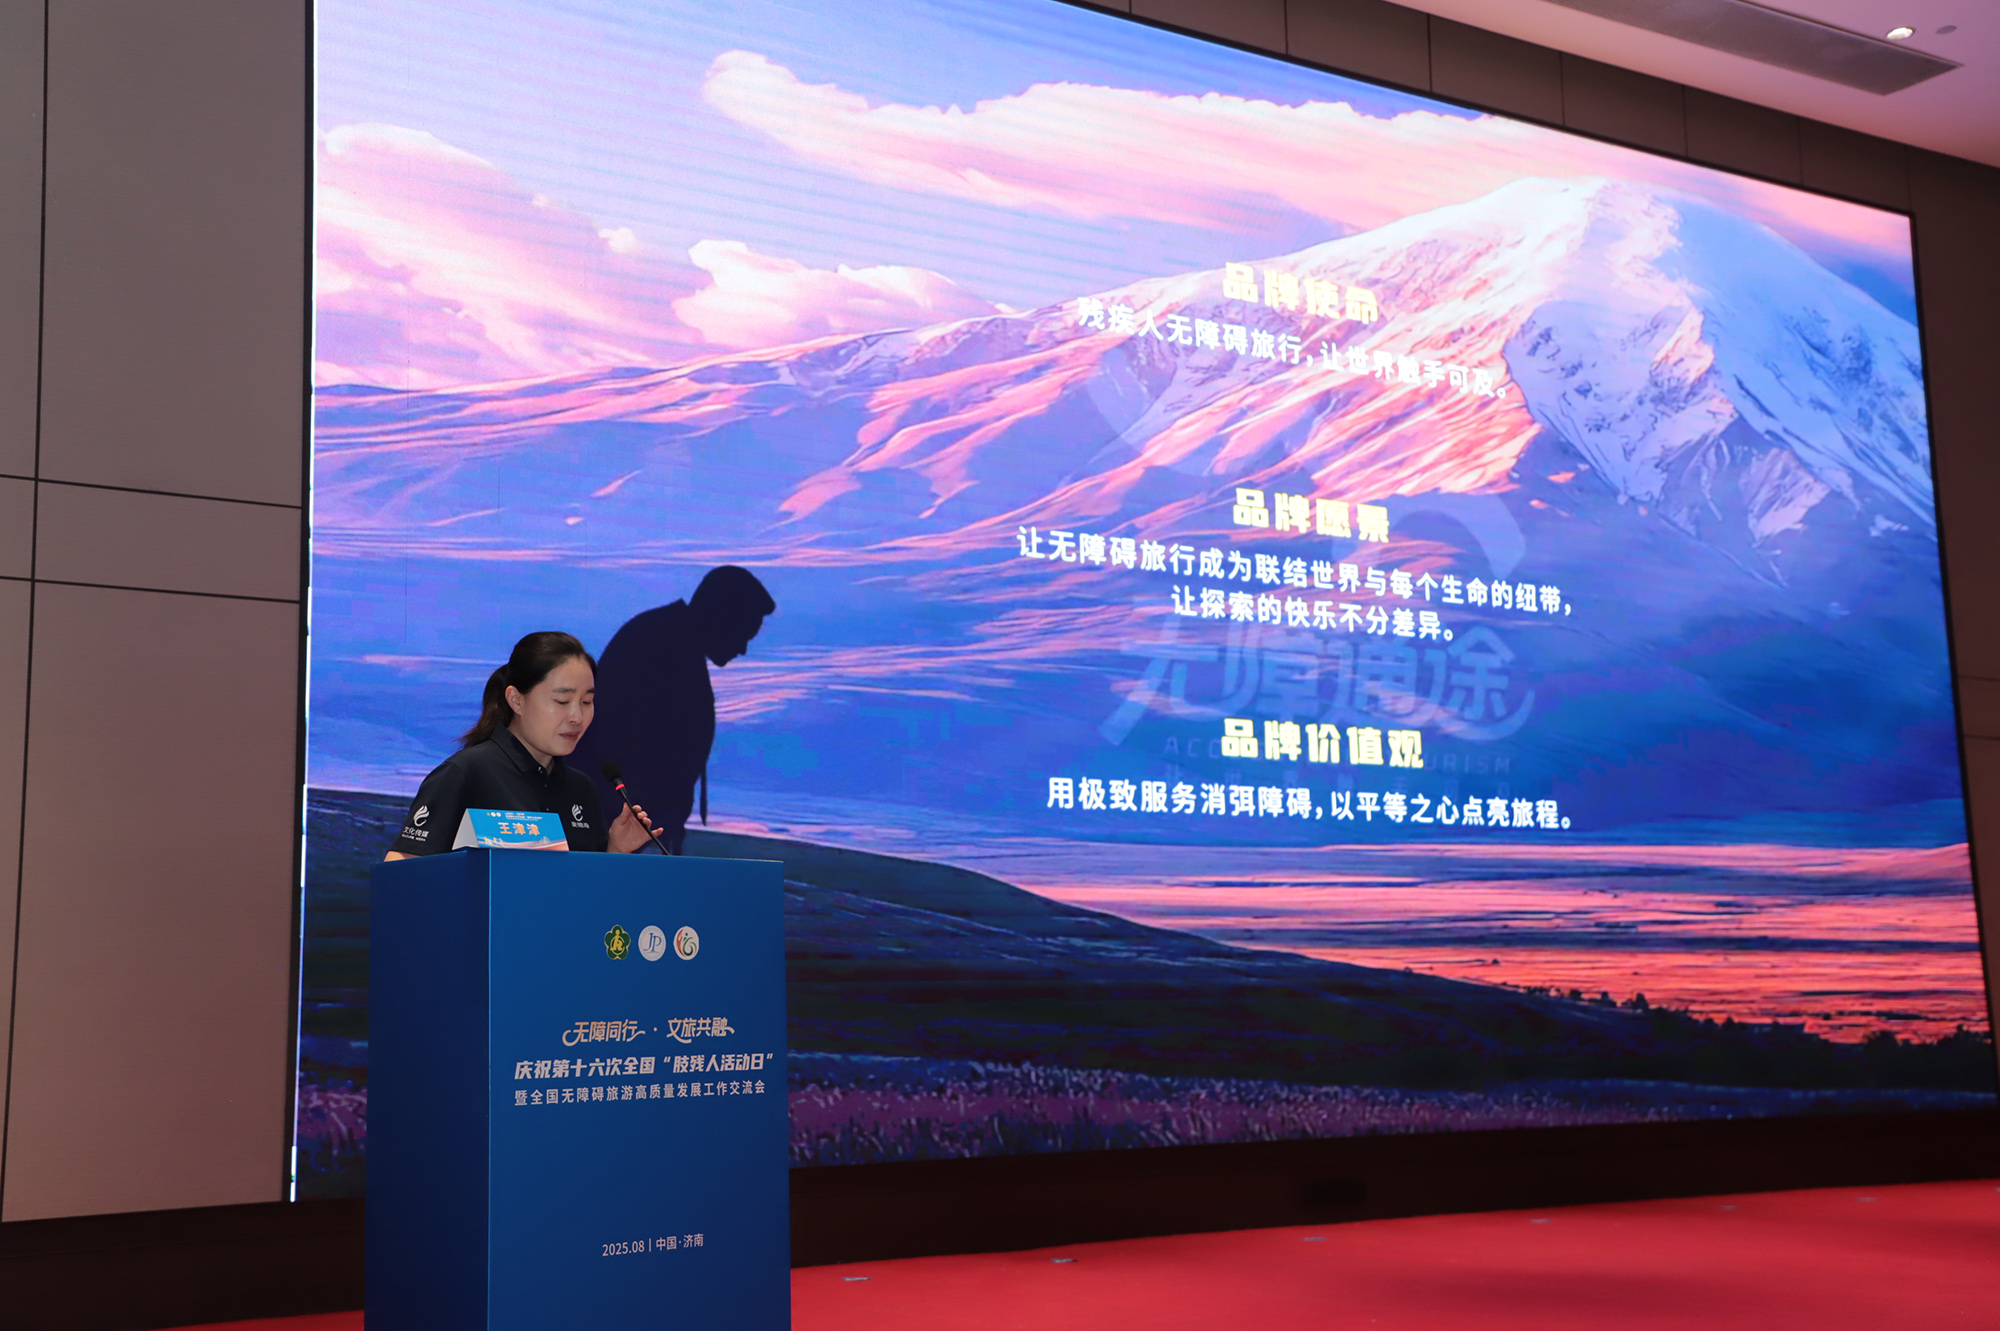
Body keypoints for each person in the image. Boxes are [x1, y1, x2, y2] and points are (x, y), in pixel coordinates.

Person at [385, 631, 657, 859]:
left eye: (586, 702)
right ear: (516, 700)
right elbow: (401, 870)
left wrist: (614, 850)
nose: (577, 716)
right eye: (562, 701)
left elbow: (586, 888)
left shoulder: (581, 789)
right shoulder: (467, 773)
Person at [572, 566, 776, 854]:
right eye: (742, 634)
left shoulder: (671, 640)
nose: (742, 648)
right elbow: (630, 740)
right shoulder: (662, 644)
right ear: (722, 618)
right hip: (611, 818)